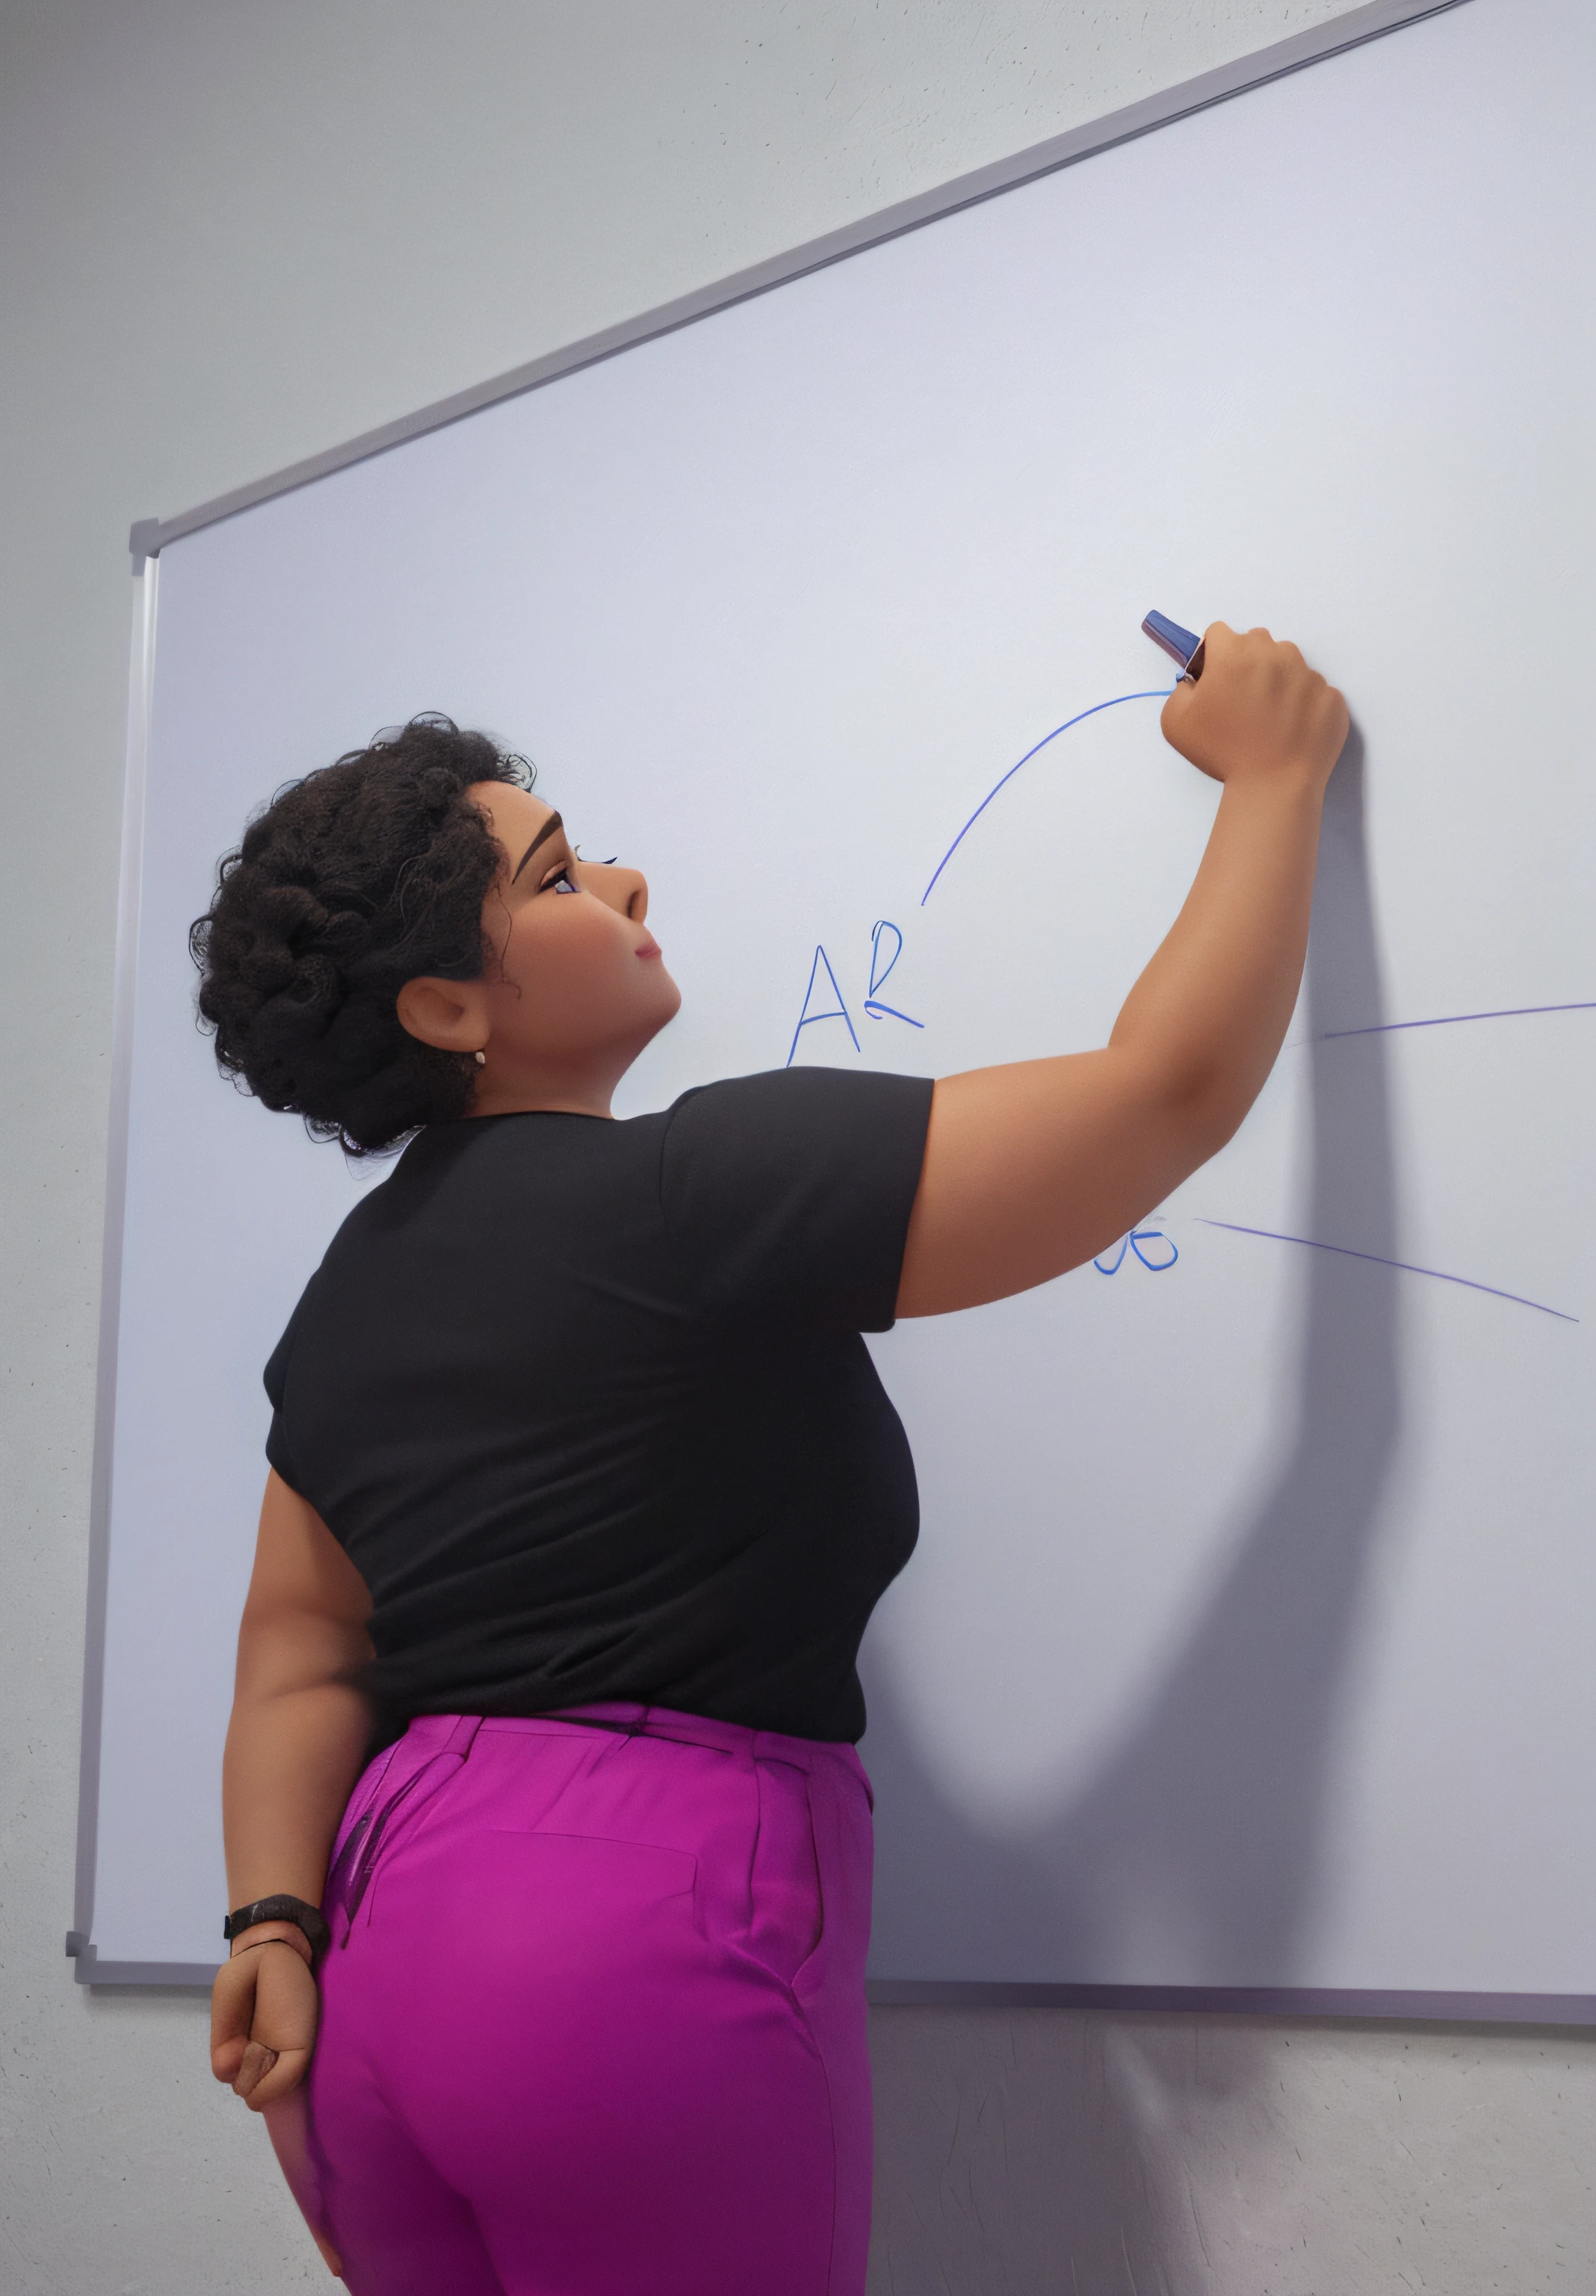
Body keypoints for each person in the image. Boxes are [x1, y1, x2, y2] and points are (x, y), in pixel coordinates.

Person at [199, 626, 1346, 2295]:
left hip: (372, 1968)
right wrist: (1276, 773)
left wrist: (269, 1926)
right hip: (621, 1952)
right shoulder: (696, 1191)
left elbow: (300, 1649)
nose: (629, 878)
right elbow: (1160, 1099)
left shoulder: (344, 1300)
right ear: (449, 1004)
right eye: (560, 873)